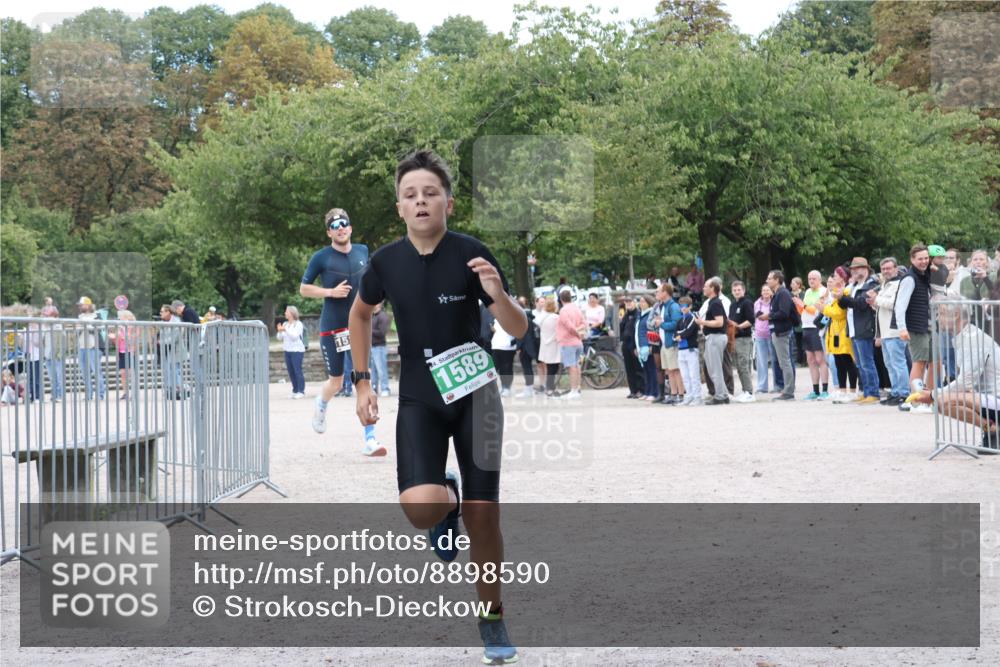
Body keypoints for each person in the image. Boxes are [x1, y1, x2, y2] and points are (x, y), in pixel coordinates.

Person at [348, 150, 526, 664]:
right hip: (421, 395)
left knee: (484, 517)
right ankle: (445, 495)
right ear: (400, 208)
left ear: (448, 202)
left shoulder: (472, 254)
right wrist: (362, 384)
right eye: (410, 195)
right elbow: (360, 318)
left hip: (477, 396)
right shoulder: (384, 263)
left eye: (430, 193)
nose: (421, 201)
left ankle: (492, 616)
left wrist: (496, 292)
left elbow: (516, 329)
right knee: (421, 507)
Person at [301, 207, 384, 457]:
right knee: (337, 382)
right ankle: (321, 403)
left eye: (344, 224)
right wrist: (330, 292)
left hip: (357, 326)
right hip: (332, 328)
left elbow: (371, 280)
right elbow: (304, 289)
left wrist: (375, 298)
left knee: (363, 381)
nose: (340, 228)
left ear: (350, 227)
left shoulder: (362, 251)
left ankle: (370, 439)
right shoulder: (321, 257)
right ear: (329, 232)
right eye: (335, 226)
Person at [910, 303, 1000, 453]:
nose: (938, 318)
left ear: (957, 314)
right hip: (989, 399)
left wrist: (933, 394)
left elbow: (965, 382)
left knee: (942, 400)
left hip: (995, 399)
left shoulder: (972, 339)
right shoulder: (965, 336)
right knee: (941, 401)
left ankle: (992, 430)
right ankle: (991, 429)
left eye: (942, 313)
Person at [894, 244, 933, 413]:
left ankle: (927, 399)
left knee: (932, 362)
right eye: (920, 259)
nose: (924, 261)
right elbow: (900, 306)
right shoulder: (909, 278)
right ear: (912, 260)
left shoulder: (924, 276)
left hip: (927, 326)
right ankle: (914, 400)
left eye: (926, 258)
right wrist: (902, 328)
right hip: (915, 327)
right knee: (919, 362)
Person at [836, 257, 880, 404]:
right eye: (853, 269)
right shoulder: (854, 285)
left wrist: (843, 297)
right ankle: (866, 391)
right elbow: (844, 305)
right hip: (854, 329)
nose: (855, 271)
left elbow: (861, 303)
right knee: (860, 364)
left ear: (866, 269)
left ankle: (873, 392)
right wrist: (840, 297)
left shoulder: (871, 285)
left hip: (864, 328)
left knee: (867, 362)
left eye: (858, 268)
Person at [872, 258, 910, 407]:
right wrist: (874, 303)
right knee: (889, 364)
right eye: (883, 269)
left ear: (896, 269)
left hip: (895, 331)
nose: (886, 271)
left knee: (898, 363)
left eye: (889, 268)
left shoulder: (899, 284)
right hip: (886, 331)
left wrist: (877, 299)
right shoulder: (885, 285)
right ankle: (895, 391)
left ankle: (904, 393)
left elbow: (895, 304)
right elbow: (881, 307)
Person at [760, 271, 797, 400]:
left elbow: (784, 313)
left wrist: (768, 316)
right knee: (783, 362)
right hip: (778, 331)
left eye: (769, 278)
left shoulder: (783, 293)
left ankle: (788, 391)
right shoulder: (777, 294)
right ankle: (787, 389)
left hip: (782, 331)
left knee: (785, 362)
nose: (767, 280)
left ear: (777, 280)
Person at [823, 274, 859, 402]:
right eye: (830, 280)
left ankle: (854, 391)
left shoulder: (846, 291)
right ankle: (842, 391)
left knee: (848, 361)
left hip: (844, 330)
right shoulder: (833, 294)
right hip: (834, 331)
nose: (831, 282)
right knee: (838, 362)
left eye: (835, 279)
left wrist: (824, 309)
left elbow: (839, 313)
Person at [796, 271, 830, 400]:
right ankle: (815, 390)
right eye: (809, 278)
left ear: (820, 279)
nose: (811, 281)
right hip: (806, 327)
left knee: (820, 359)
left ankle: (825, 390)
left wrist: (803, 305)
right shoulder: (808, 292)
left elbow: (816, 310)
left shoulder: (824, 291)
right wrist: (798, 305)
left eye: (814, 278)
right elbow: (803, 311)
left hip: (816, 327)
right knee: (810, 360)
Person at [696, 276, 729, 405]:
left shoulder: (715, 303)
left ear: (712, 288)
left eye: (706, 286)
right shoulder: (712, 302)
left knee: (715, 368)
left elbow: (720, 322)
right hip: (713, 337)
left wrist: (702, 322)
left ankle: (720, 396)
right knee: (712, 368)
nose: (703, 288)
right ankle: (723, 394)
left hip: (716, 337)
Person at [654, 283, 683, 404]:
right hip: (664, 343)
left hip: (671, 342)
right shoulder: (663, 306)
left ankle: (680, 395)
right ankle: (673, 394)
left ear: (665, 292)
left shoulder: (673, 306)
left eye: (658, 291)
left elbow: (676, 324)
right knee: (669, 370)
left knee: (675, 370)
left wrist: (661, 324)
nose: (656, 293)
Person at [556, 289, 586, 400]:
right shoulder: (577, 308)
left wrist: (576, 332)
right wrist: (579, 332)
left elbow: (568, 326)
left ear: (561, 299)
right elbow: (584, 323)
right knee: (577, 366)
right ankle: (577, 388)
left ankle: (573, 390)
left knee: (571, 367)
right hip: (578, 342)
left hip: (568, 341)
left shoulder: (563, 310)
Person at [728, 281, 756, 402]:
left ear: (743, 290)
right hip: (735, 338)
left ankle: (749, 392)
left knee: (744, 365)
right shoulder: (733, 305)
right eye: (734, 290)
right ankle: (745, 391)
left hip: (744, 338)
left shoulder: (747, 303)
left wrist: (738, 326)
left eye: (739, 290)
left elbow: (751, 320)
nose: (736, 292)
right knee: (739, 366)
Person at [76, 296, 106, 401]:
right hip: (82, 346)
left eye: (82, 304)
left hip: (94, 346)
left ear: (88, 305)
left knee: (96, 371)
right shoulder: (80, 316)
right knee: (84, 372)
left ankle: (100, 394)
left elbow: (98, 328)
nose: (80, 306)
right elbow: (78, 331)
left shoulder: (96, 315)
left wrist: (87, 325)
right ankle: (89, 394)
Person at [674, 296, 703, 405]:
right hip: (681, 350)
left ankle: (697, 397)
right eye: (681, 306)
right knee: (685, 376)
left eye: (685, 306)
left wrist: (679, 335)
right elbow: (674, 334)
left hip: (691, 349)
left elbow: (688, 331)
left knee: (693, 375)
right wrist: (678, 335)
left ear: (690, 306)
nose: (683, 308)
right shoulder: (680, 320)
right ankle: (689, 396)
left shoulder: (692, 317)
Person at [753, 284, 778, 394]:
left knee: (775, 360)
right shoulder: (757, 303)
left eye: (768, 290)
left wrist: (766, 315)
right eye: (763, 290)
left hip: (771, 334)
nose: (765, 292)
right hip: (759, 334)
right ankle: (762, 387)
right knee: (761, 362)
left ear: (771, 292)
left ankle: (777, 385)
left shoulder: (774, 302)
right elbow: (757, 315)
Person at [277, 306, 306, 399]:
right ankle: (295, 390)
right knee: (291, 371)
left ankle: (301, 391)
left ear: (292, 313)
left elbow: (294, 337)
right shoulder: (285, 324)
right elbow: (279, 338)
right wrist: (280, 331)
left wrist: (285, 330)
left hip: (297, 350)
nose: (285, 313)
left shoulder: (298, 324)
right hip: (287, 350)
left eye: (286, 312)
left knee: (297, 371)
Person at [635, 295, 660, 402]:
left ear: (649, 303)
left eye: (643, 302)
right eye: (640, 302)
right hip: (641, 345)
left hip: (648, 345)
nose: (641, 304)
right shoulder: (641, 315)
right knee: (646, 370)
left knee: (652, 370)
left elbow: (653, 331)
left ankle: (654, 392)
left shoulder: (651, 314)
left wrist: (651, 346)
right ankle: (647, 391)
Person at [619, 296, 644, 398]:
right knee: (629, 369)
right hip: (626, 344)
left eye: (630, 302)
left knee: (638, 368)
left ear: (635, 303)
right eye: (626, 302)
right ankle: (633, 390)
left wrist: (636, 346)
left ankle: (641, 390)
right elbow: (622, 329)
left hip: (634, 345)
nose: (628, 304)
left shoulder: (638, 314)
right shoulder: (625, 315)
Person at [110, 310, 138, 399]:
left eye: (120, 316)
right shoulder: (120, 327)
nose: (119, 318)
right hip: (121, 352)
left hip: (130, 351)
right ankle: (125, 392)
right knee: (123, 372)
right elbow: (117, 342)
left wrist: (121, 336)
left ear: (126, 316)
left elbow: (133, 338)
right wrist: (114, 338)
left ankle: (134, 392)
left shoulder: (134, 326)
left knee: (131, 372)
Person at [40, 305, 64, 402]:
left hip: (56, 355)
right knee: (51, 377)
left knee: (58, 376)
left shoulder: (57, 325)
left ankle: (59, 395)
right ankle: (54, 395)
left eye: (47, 316)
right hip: (48, 355)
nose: (45, 318)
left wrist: (59, 354)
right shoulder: (45, 327)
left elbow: (61, 341)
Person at [491, 318, 518, 398]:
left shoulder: (511, 317)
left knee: (507, 368)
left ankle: (506, 387)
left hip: (508, 347)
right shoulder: (495, 319)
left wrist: (513, 342)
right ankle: (500, 387)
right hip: (496, 346)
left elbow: (518, 332)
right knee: (495, 367)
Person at [370, 301, 392, 397]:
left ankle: (385, 388)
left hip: (379, 347)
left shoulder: (382, 316)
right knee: (373, 371)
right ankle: (374, 388)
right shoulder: (372, 316)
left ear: (379, 304)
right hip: (372, 347)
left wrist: (369, 330)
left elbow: (382, 333)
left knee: (381, 370)